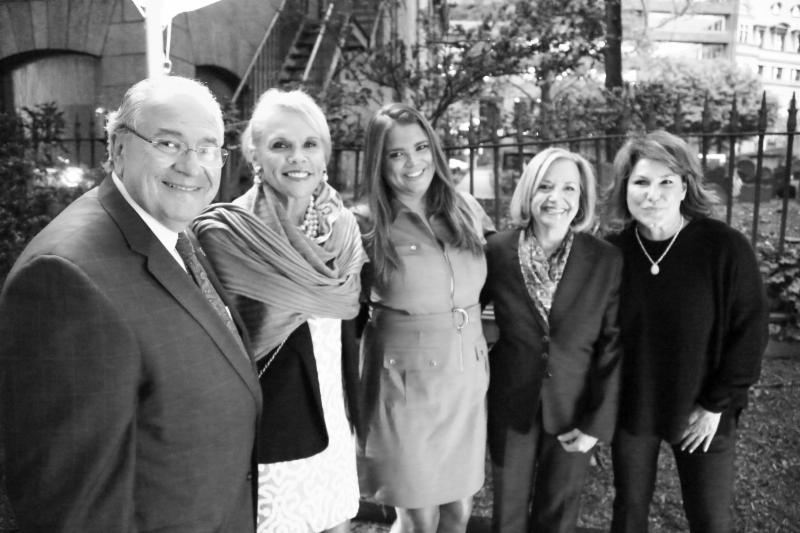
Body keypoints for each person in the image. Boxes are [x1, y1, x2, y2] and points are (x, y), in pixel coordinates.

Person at [0, 76, 261, 531]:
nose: (191, 166)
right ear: (119, 147)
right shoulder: (66, 279)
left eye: (207, 148)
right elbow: (73, 508)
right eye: (168, 144)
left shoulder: (168, 229)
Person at [191, 88, 367, 533]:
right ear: (254, 153)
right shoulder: (226, 234)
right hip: (273, 433)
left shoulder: (343, 230)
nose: (297, 157)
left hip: (335, 420)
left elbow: (347, 326)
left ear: (325, 155)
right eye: (280, 145)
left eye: (310, 144)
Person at [606, 130, 768, 533]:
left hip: (703, 409)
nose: (652, 194)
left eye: (666, 182)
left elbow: (750, 331)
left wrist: (716, 404)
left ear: (685, 187)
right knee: (629, 514)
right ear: (625, 188)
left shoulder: (724, 247)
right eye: (641, 182)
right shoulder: (613, 253)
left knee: (709, 519)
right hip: (633, 406)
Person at [357, 103, 493, 533]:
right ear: (379, 162)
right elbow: (343, 305)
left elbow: (497, 280)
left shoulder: (465, 208)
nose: (413, 162)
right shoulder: (364, 223)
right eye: (397, 154)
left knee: (458, 512)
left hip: (464, 380)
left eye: (420, 147)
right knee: (418, 516)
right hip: (403, 387)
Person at [481, 148, 622, 533]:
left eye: (569, 188)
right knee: (507, 514)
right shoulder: (497, 251)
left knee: (558, 516)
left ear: (582, 198)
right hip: (512, 403)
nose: (555, 197)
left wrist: (596, 422)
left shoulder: (605, 259)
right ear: (529, 191)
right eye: (545, 186)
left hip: (574, 409)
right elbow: (464, 312)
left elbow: (611, 346)